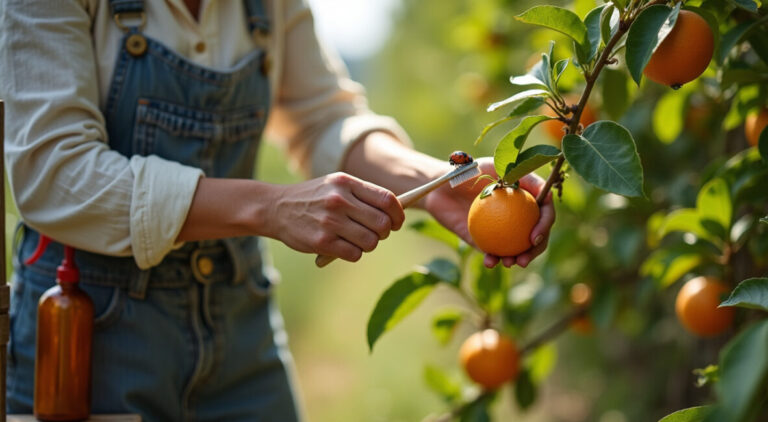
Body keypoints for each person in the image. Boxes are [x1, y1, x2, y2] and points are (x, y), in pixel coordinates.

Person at [0, 0, 555, 420]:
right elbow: (56, 174)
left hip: (238, 317)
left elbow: (322, 117)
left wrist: (433, 182)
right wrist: (269, 207)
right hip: (91, 329)